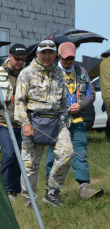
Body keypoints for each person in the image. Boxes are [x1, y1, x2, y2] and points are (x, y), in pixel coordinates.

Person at [16, 39, 75, 206]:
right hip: (33, 123)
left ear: (56, 54)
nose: (47, 56)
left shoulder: (60, 73)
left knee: (67, 153)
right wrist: (25, 123)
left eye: (50, 52)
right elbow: (19, 102)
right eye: (43, 53)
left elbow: (63, 101)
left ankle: (52, 192)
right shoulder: (26, 73)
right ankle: (30, 201)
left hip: (57, 122)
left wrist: (64, 122)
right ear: (37, 54)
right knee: (30, 165)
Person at [47, 41, 103, 200]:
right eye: (65, 58)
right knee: (54, 156)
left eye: (71, 58)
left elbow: (91, 94)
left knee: (80, 153)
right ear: (59, 56)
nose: (68, 61)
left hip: (77, 121)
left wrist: (81, 105)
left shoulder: (81, 71)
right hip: (56, 123)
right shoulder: (51, 72)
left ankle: (84, 188)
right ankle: (51, 190)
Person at [0, 43, 29, 198]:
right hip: (2, 121)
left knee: (20, 156)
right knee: (9, 153)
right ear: (9, 57)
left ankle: (15, 190)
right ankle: (5, 189)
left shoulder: (26, 74)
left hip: (21, 123)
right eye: (17, 59)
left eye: (23, 59)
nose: (20, 62)